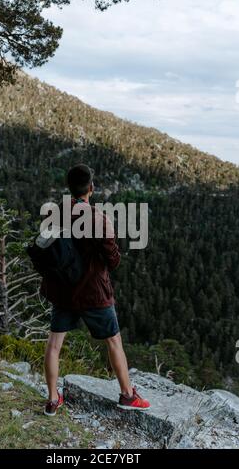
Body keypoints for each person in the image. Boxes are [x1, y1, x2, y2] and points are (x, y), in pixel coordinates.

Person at [40, 163, 150, 416]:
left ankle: (52, 399)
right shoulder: (99, 218)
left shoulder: (54, 213)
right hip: (93, 292)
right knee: (113, 341)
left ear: (69, 187)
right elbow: (113, 260)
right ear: (91, 188)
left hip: (63, 291)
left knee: (54, 344)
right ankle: (127, 395)